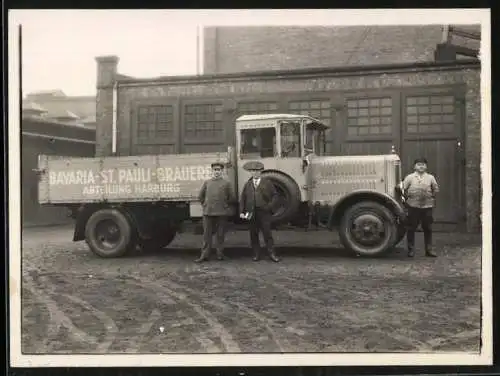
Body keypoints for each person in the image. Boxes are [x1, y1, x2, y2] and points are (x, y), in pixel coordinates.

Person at [239, 161, 280, 263]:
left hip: (264, 212)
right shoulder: (248, 184)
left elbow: (275, 196)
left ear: (261, 171)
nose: (255, 173)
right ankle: (256, 254)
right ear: (250, 172)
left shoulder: (267, 183)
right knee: (253, 234)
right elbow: (243, 199)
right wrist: (241, 211)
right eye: (253, 171)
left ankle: (272, 253)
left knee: (267, 233)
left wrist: (269, 206)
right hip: (251, 212)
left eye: (257, 171)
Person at [195, 161, 234, 263]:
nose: (217, 172)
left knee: (220, 235)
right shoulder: (207, 182)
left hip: (222, 213)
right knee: (207, 235)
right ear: (212, 171)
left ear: (222, 171)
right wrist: (205, 205)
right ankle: (204, 255)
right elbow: (200, 196)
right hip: (208, 213)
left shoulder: (227, 183)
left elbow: (231, 198)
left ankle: (220, 254)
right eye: (215, 170)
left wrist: (224, 205)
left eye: (219, 170)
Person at [402, 157, 439, 258]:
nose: (421, 166)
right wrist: (406, 200)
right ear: (414, 166)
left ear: (426, 166)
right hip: (413, 206)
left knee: (428, 228)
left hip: (427, 206)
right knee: (411, 228)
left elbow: (435, 189)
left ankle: (429, 250)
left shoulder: (431, 177)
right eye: (419, 164)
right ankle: (411, 250)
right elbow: (402, 188)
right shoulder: (409, 177)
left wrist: (430, 198)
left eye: (423, 164)